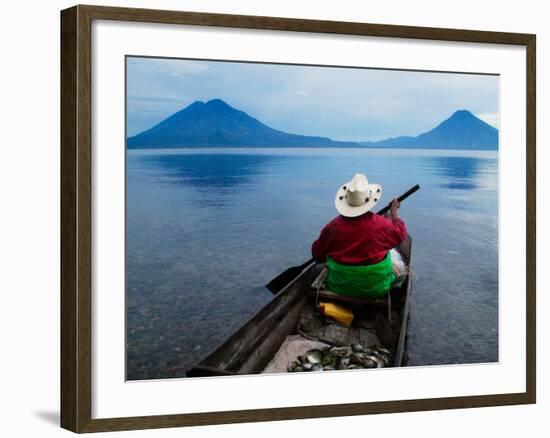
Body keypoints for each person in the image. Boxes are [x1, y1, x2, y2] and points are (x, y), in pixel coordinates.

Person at [311, 173, 407, 298]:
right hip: (376, 288)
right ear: (369, 199)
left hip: (339, 286)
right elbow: (400, 234)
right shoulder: (381, 224)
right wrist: (394, 214)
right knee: (400, 267)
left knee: (320, 267)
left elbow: (317, 255)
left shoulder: (332, 227)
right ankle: (394, 295)